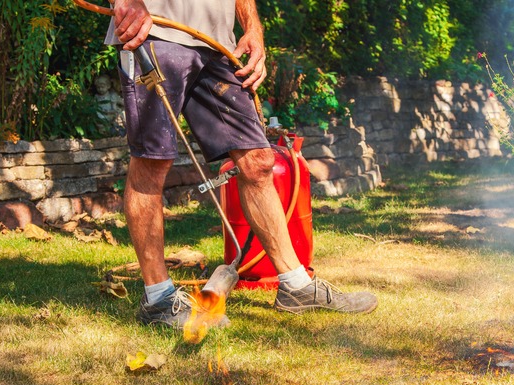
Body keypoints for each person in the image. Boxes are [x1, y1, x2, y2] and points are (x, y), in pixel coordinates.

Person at [105, 0, 378, 328]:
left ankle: (296, 286)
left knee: (259, 161)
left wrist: (253, 28)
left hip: (217, 44)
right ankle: (158, 299)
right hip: (155, 33)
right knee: (152, 161)